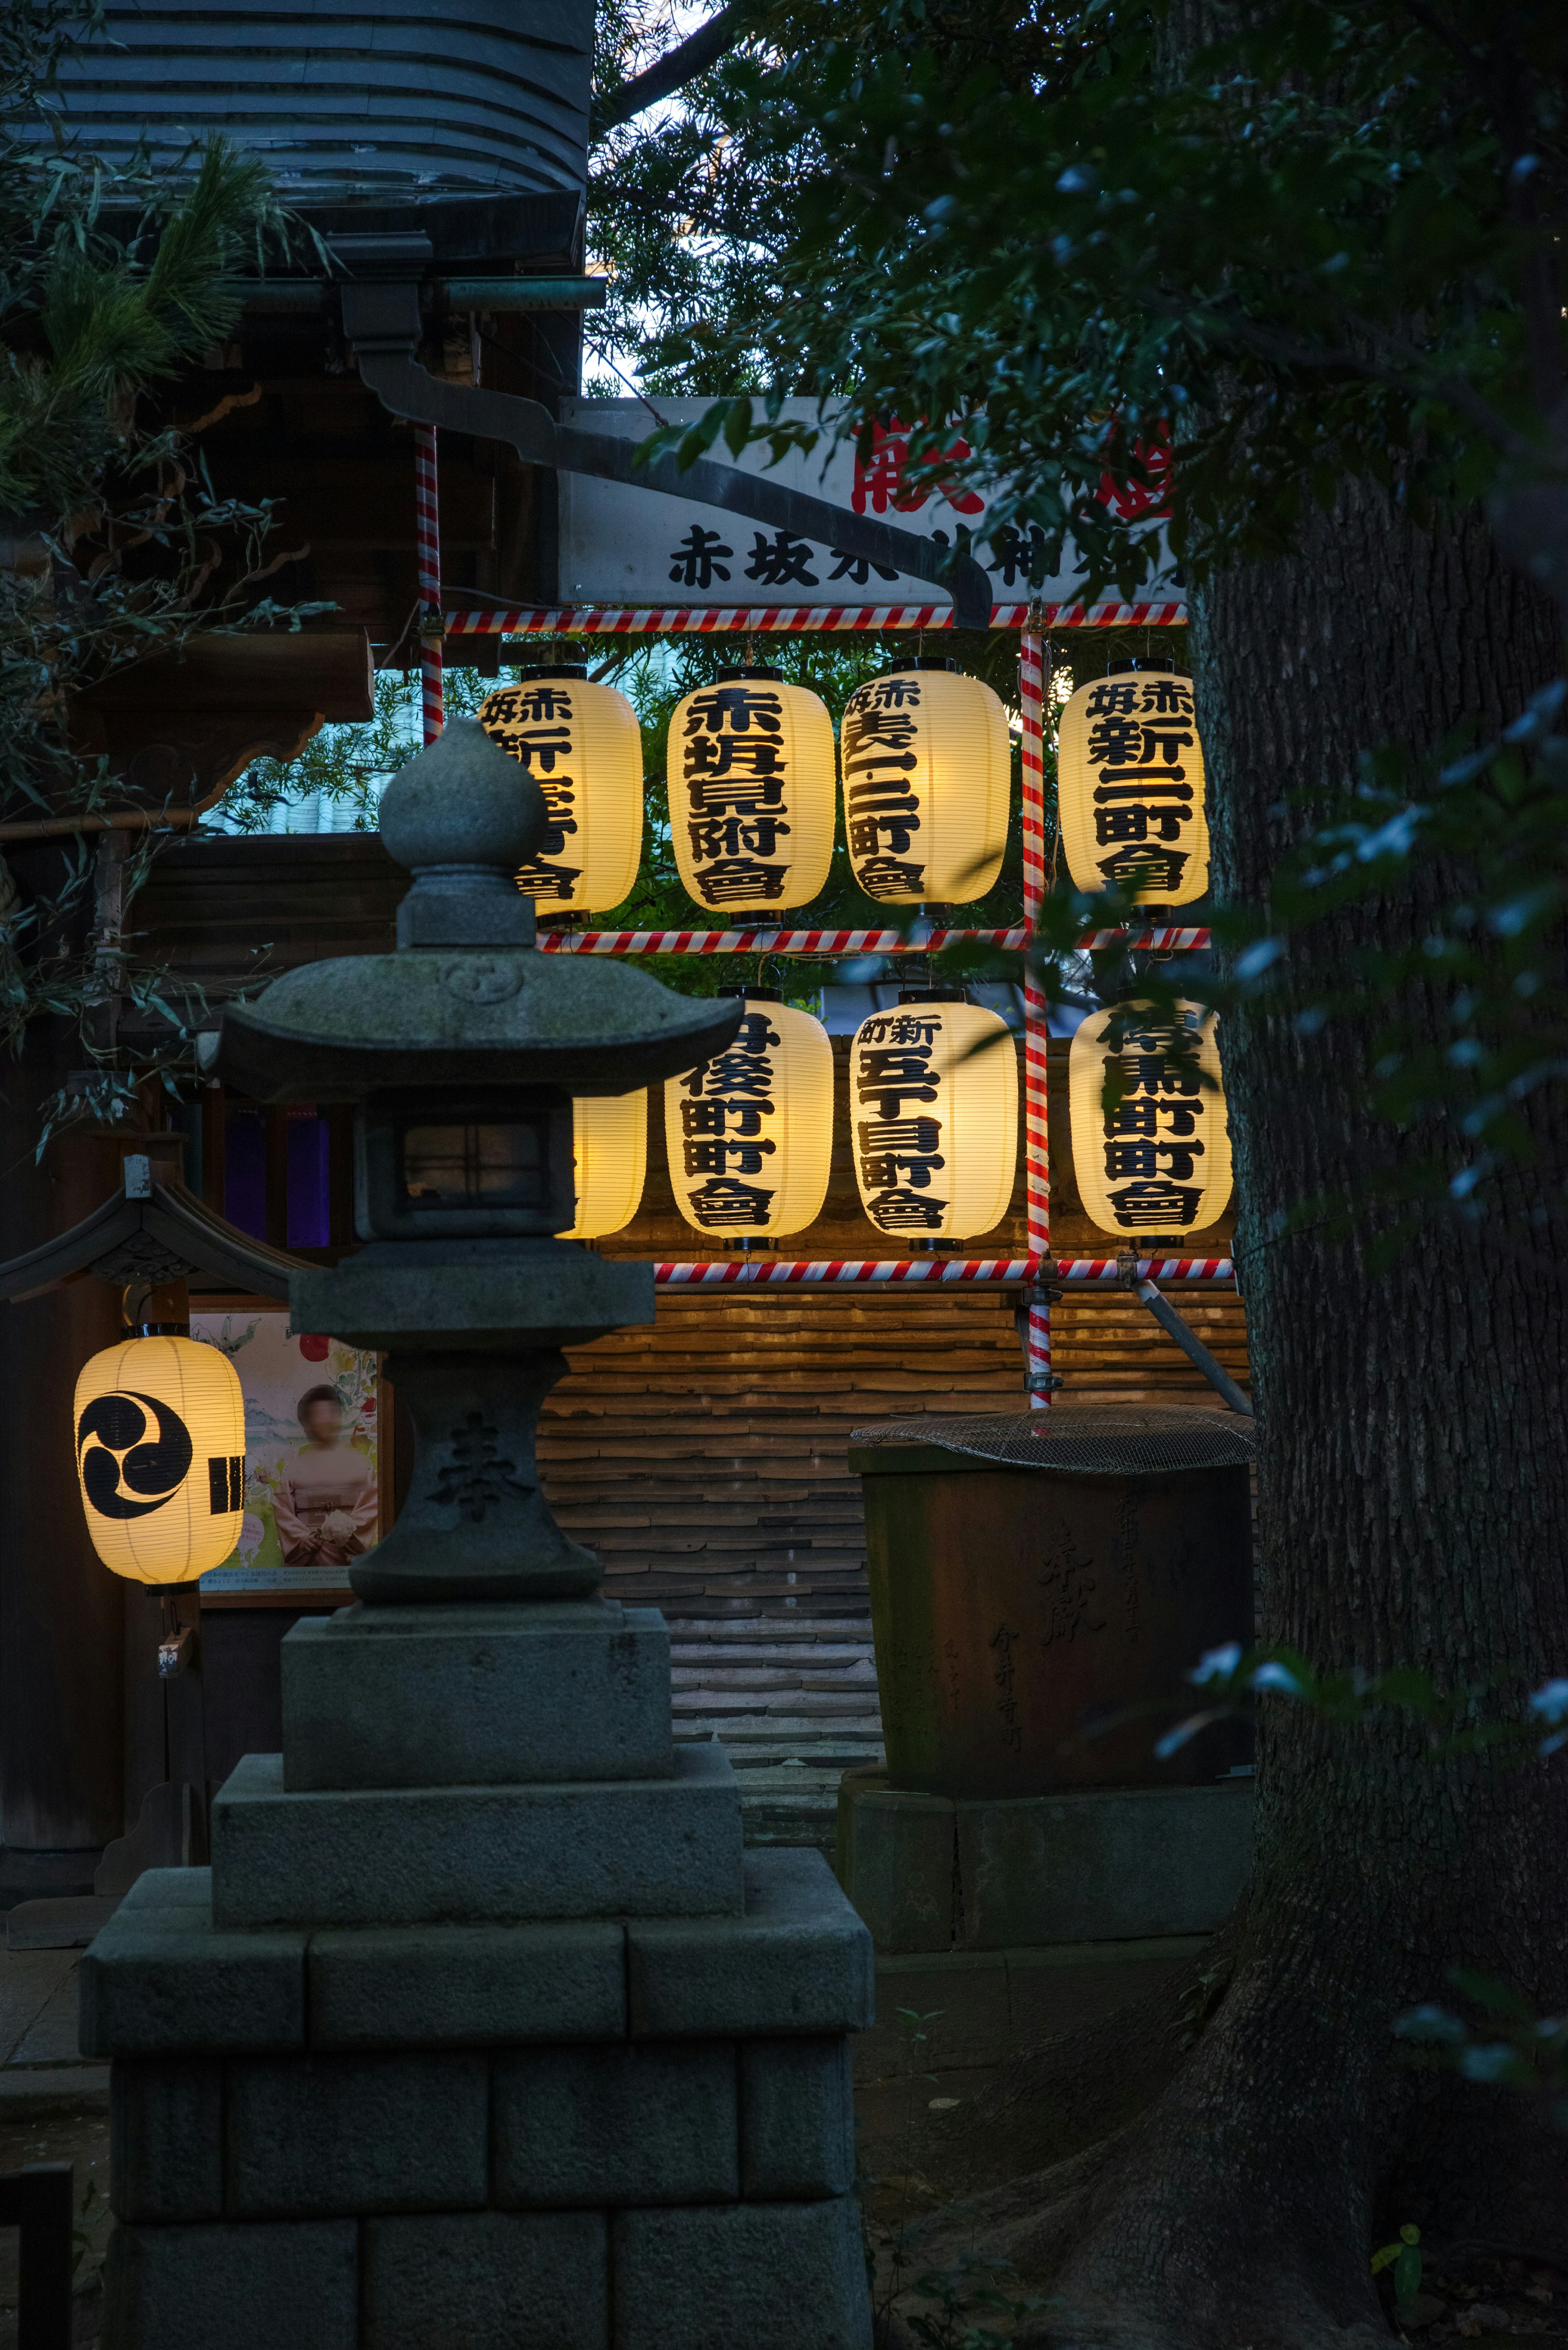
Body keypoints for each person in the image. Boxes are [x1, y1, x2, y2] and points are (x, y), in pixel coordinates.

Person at [270, 1384, 377, 1566]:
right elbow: (283, 1510)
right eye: (315, 1417)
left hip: (345, 1548)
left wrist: (344, 1531)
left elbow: (371, 1505)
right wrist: (301, 1539)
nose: (324, 1422)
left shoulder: (362, 1465)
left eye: (329, 1414)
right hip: (308, 1549)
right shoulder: (294, 1468)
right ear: (307, 1426)